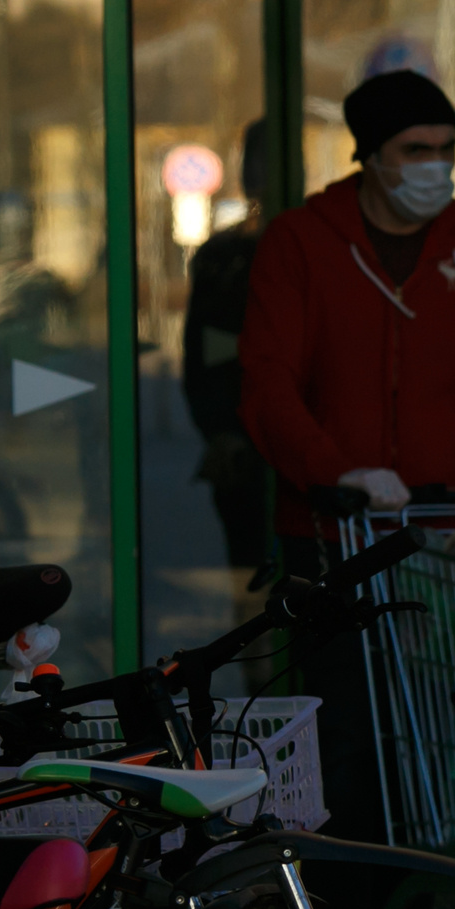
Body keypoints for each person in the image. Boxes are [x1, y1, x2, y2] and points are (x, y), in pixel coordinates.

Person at [240, 67, 455, 909]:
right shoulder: (303, 245)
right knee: (347, 755)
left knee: (420, 754)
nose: (435, 167)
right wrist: (336, 470)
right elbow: (267, 387)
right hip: (333, 544)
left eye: (447, 150)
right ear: (371, 156)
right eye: (416, 150)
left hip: (437, 550)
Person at [182, 118, 271, 579]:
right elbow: (203, 358)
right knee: (253, 577)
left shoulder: (325, 251)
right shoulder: (222, 258)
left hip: (297, 456)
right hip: (243, 450)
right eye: (256, 161)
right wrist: (223, 432)